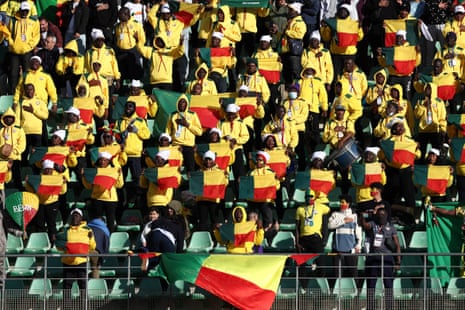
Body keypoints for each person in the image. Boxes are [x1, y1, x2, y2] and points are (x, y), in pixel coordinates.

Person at [361, 207, 401, 310]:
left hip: (387, 258)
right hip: (373, 258)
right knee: (371, 285)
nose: (381, 216)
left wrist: (398, 261)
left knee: (388, 284)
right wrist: (363, 217)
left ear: (386, 216)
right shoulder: (373, 224)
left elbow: (397, 245)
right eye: (379, 215)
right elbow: (365, 226)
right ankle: (371, 307)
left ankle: (390, 307)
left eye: (383, 215)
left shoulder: (391, 227)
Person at [25, 159, 68, 246]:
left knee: (51, 225)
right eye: (46, 169)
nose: (48, 171)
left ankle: (53, 244)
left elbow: (62, 192)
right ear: (43, 170)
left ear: (53, 170)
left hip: (53, 204)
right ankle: (40, 243)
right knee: (39, 224)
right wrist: (27, 183)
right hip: (40, 204)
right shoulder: (38, 179)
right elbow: (31, 190)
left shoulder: (57, 179)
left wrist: (63, 183)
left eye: (50, 169)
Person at [56, 208, 96, 300]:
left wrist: (91, 238)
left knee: (83, 286)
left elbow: (92, 247)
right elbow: (59, 248)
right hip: (68, 262)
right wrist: (58, 242)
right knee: (66, 287)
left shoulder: (88, 230)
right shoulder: (65, 230)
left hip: (81, 262)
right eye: (73, 215)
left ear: (81, 218)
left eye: (77, 215)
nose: (75, 217)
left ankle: (83, 307)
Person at [82, 151, 124, 232]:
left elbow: (119, 185)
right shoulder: (95, 171)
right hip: (97, 198)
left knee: (110, 221)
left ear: (108, 161)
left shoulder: (113, 171)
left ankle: (109, 237)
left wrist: (119, 175)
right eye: (101, 160)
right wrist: (84, 177)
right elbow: (88, 186)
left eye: (105, 160)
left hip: (110, 199)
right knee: (97, 221)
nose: (102, 162)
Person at [295, 190, 330, 273]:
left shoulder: (320, 207)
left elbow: (329, 208)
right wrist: (297, 243)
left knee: (321, 264)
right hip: (304, 239)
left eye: (311, 196)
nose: (309, 198)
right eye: (307, 197)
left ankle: (320, 282)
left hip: (315, 238)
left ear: (314, 198)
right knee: (303, 265)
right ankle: (304, 285)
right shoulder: (300, 209)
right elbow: (296, 227)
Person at [166, 94, 202, 173]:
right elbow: (167, 132)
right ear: (177, 103)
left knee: (190, 170)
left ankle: (190, 184)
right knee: (174, 169)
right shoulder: (172, 115)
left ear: (187, 104)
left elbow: (199, 132)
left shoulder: (193, 115)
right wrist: (169, 145)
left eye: (184, 102)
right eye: (180, 102)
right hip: (176, 145)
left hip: (189, 146)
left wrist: (187, 125)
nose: (182, 104)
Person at [328, 194, 362, 277]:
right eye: (340, 202)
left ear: (348, 203)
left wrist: (358, 246)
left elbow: (358, 232)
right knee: (337, 274)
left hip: (351, 250)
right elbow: (329, 226)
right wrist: (344, 221)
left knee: (353, 273)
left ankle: (355, 289)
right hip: (337, 249)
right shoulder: (335, 214)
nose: (341, 204)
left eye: (343, 202)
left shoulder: (354, 216)